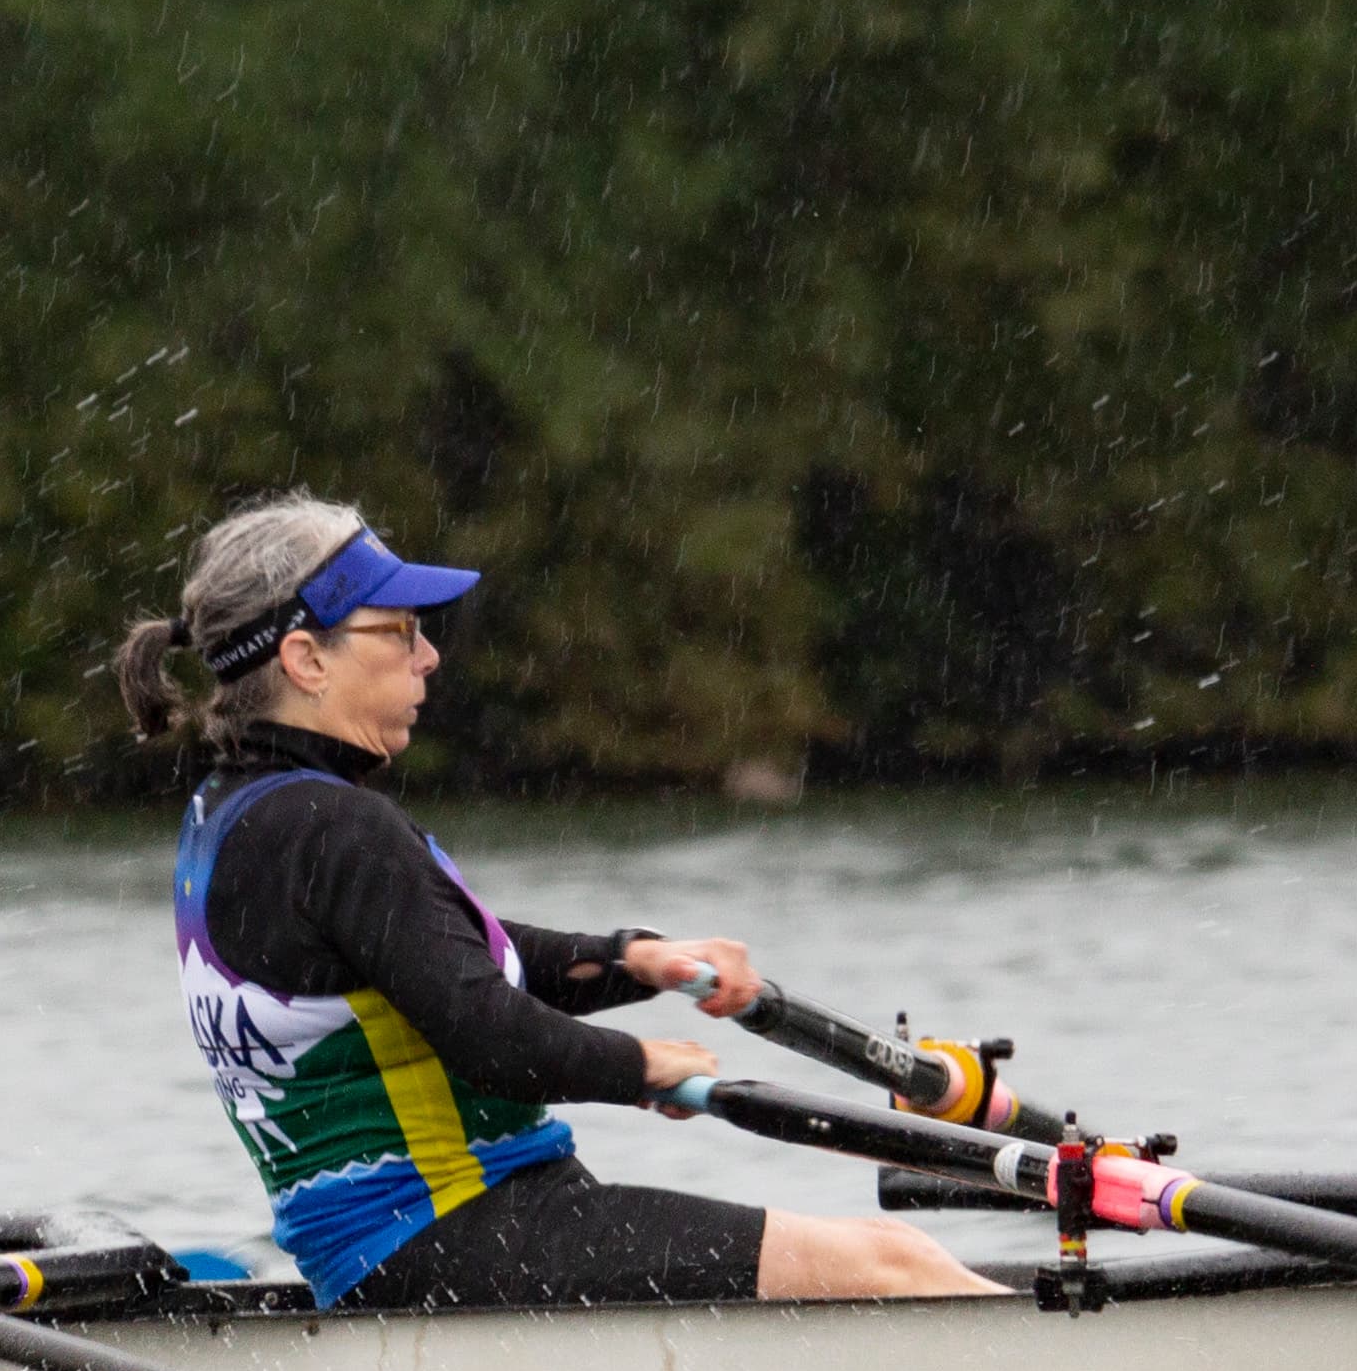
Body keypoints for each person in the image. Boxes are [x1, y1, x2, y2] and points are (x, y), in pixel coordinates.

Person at [119, 495, 995, 1309]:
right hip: (446, 1232)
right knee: (894, 1265)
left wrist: (632, 959)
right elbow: (488, 1035)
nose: (428, 656)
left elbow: (450, 961)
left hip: (416, 1240)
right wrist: (641, 1066)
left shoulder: (231, 815)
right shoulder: (332, 826)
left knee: (885, 1255)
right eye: (399, 631)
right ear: (305, 659)